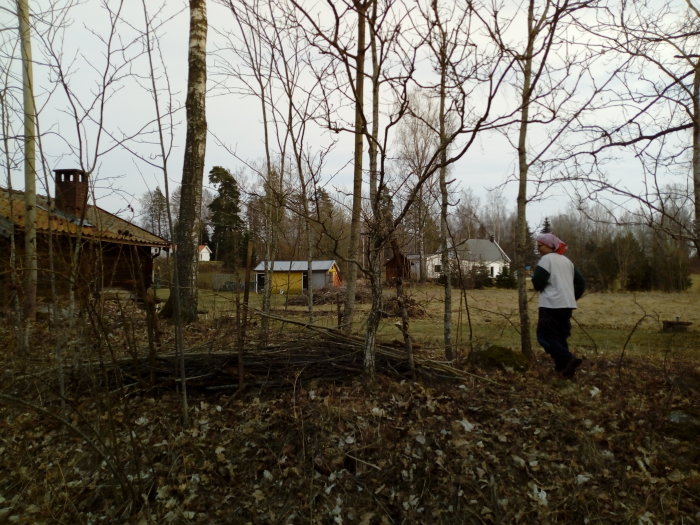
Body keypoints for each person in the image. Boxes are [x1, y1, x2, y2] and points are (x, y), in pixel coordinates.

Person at [531, 233, 586, 378]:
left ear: (550, 246)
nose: (538, 249)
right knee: (560, 338)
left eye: (540, 246)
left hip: (550, 305)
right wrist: (571, 297)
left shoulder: (546, 260)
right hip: (566, 305)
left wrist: (534, 278)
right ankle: (565, 372)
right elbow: (581, 283)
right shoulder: (567, 261)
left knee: (544, 337)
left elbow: (538, 283)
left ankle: (568, 358)